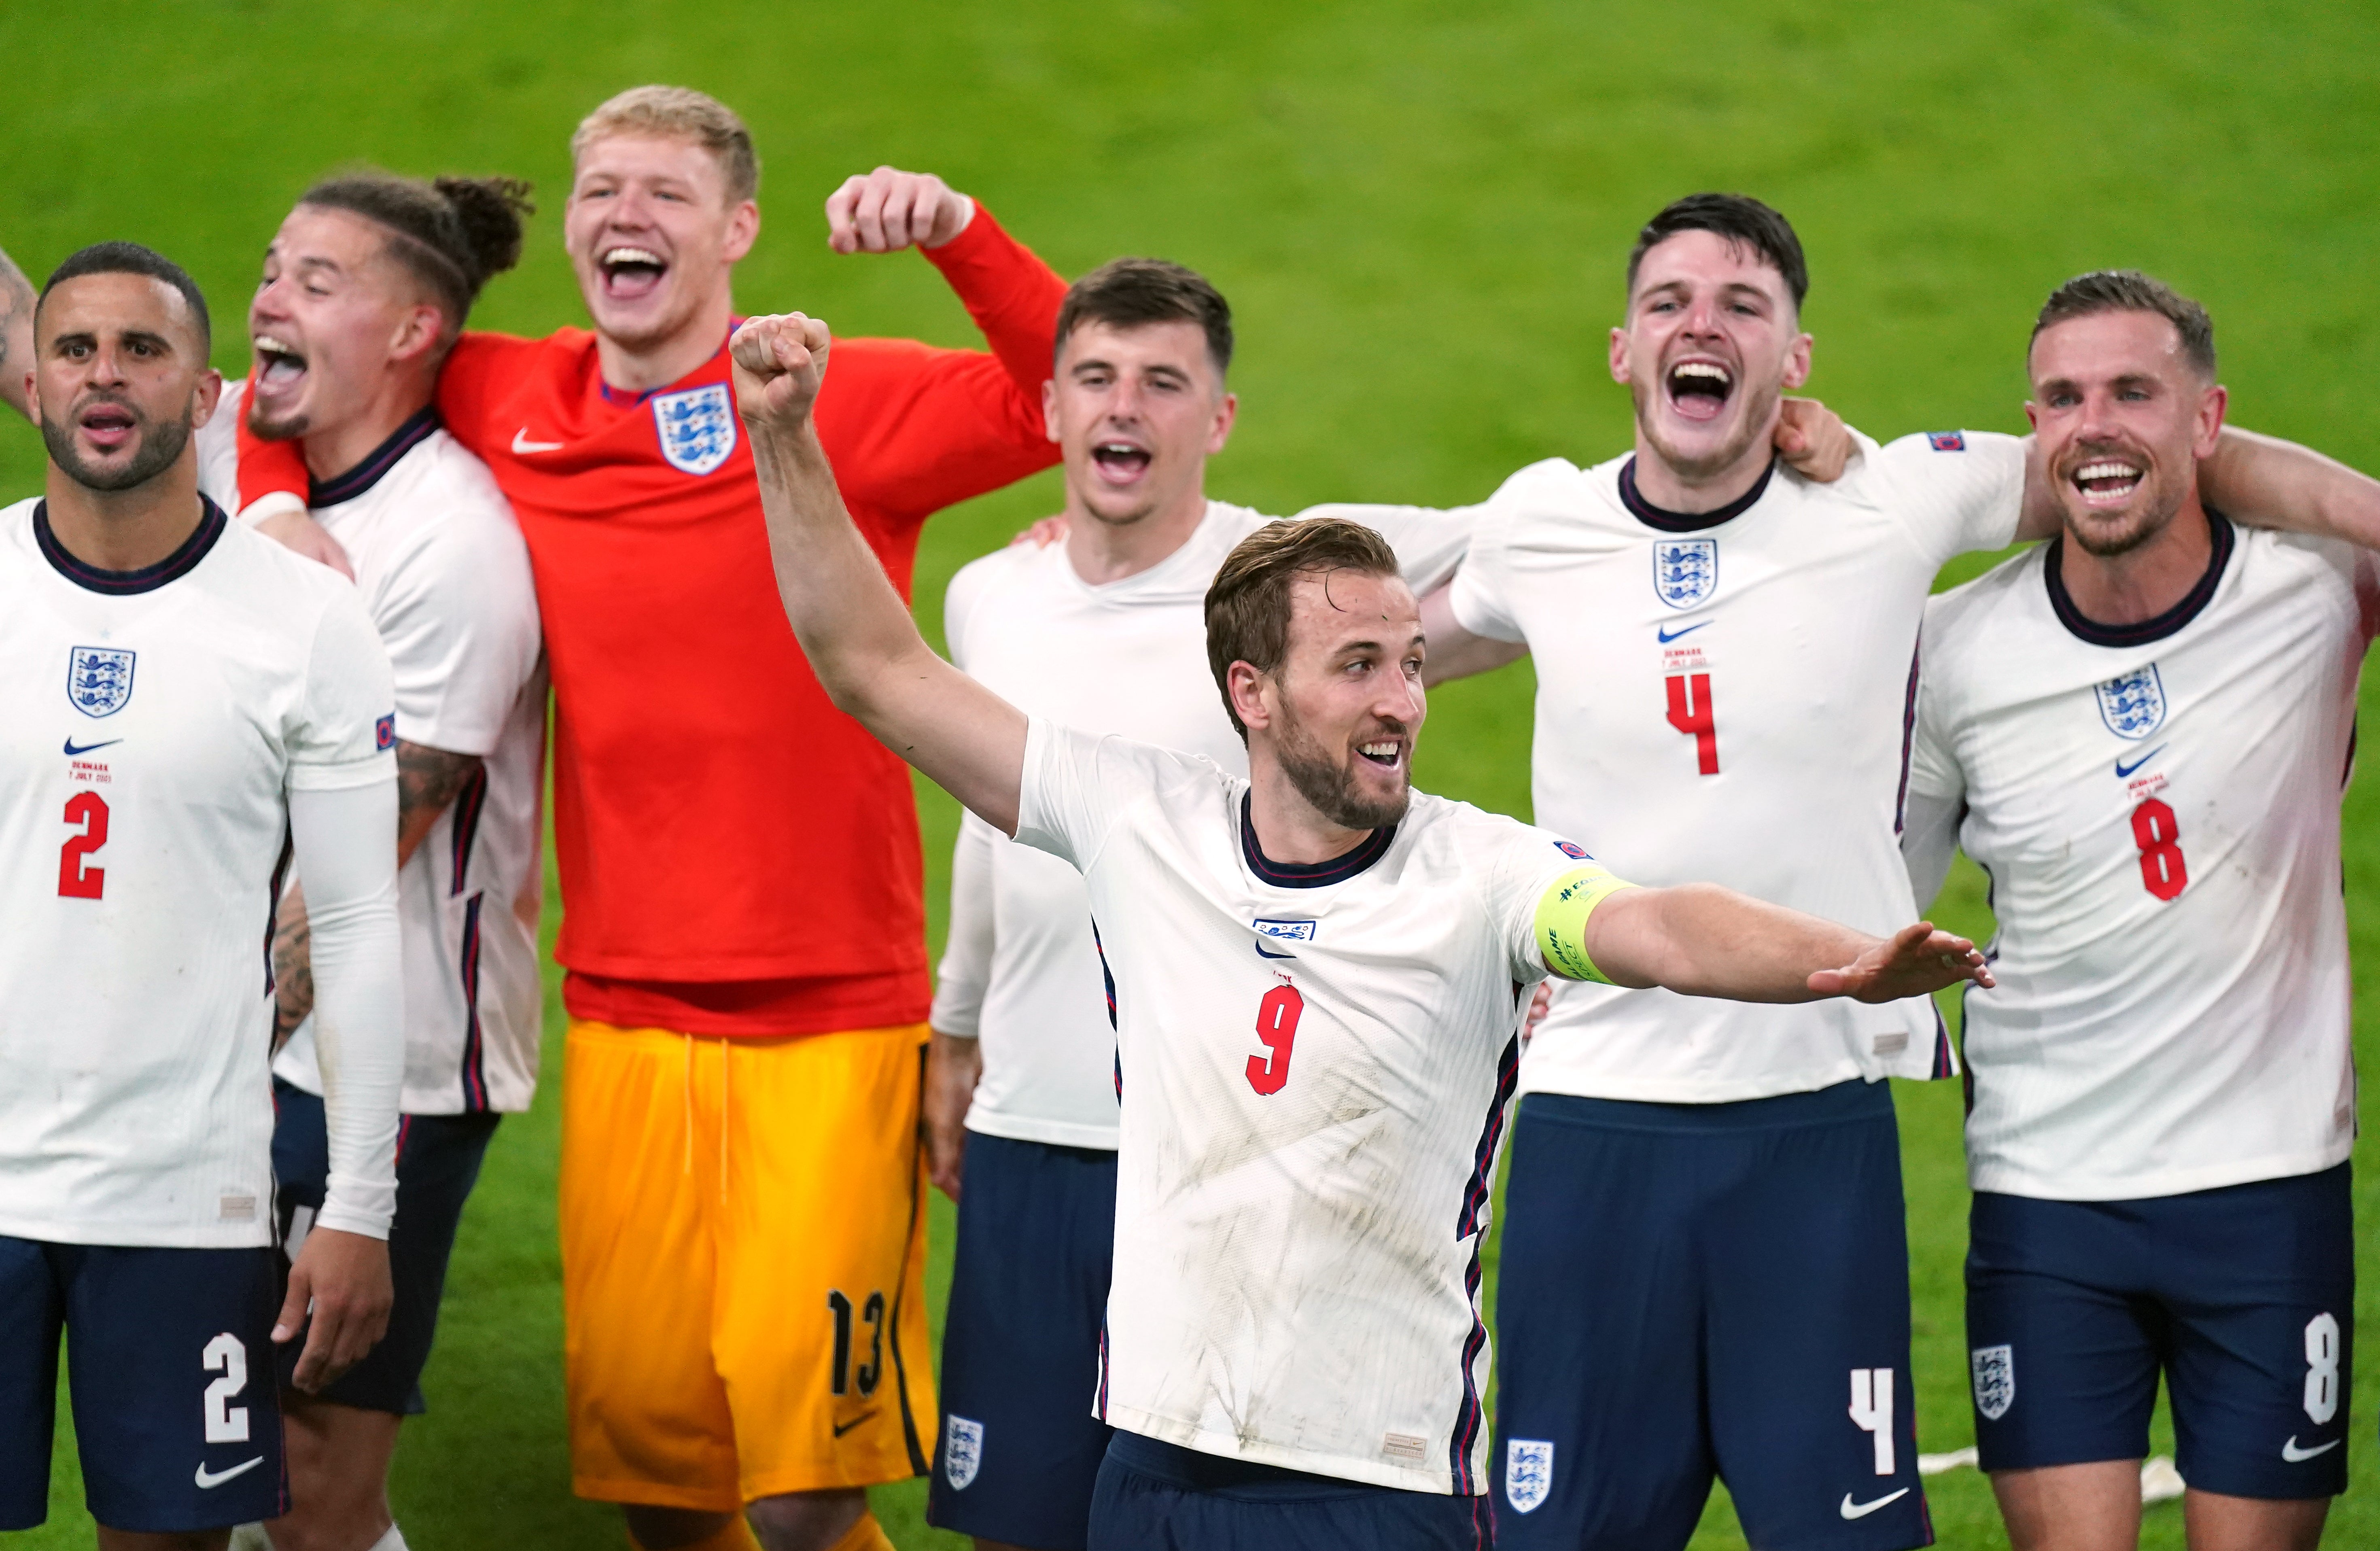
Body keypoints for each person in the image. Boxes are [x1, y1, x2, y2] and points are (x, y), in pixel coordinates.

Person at [730, 306, 1993, 1548]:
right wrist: (786, 436)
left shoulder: (1484, 875)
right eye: (1359, 667)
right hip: (1153, 1469)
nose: (1403, 697)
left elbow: (1659, 927)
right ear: (1253, 693)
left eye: (1406, 660)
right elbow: (874, 668)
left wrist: (1839, 964)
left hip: (1371, 1490)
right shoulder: (1139, 823)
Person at [1385, 193, 2372, 1549]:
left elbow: (2139, 460)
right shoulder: (1537, 528)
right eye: (1671, 301)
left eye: (1744, 305)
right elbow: (1371, 659)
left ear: (1796, 363)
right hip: (1592, 1119)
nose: (1702, 325)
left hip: (1812, 1123)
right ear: (1621, 348)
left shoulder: (1892, 497)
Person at [234, 88, 1069, 1551]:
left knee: (807, 1495)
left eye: (668, 194)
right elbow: (294, 385)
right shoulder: (513, 394)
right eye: (601, 189)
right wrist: (267, 502)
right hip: (622, 1019)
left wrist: (957, 232)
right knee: (664, 1493)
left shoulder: (835, 397)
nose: (628, 215)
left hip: (829, 1017)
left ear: (739, 229)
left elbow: (1062, 396)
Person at [1903, 272, 2380, 1551]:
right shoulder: (1956, 651)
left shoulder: (2320, 587)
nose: (2091, 423)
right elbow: (1865, 892)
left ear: (2210, 420)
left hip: (2268, 1190)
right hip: (2045, 1193)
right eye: (2061, 399)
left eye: (2133, 393)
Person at [0, 244, 403, 1550]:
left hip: (187, 1197)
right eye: (75, 349)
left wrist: (356, 1205)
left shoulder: (307, 622)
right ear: (35, 379)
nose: (105, 377)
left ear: (211, 391)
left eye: (142, 349)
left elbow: (349, 928)